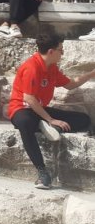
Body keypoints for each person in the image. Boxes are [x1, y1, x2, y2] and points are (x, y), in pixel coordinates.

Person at [8, 32, 95, 190]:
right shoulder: (31, 67)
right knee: (26, 123)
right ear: (51, 52)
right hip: (22, 110)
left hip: (40, 110)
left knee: (83, 119)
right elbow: (29, 99)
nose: (63, 53)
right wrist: (51, 119)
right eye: (61, 50)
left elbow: (70, 84)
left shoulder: (52, 67)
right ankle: (42, 173)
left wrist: (91, 74)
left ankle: (45, 125)